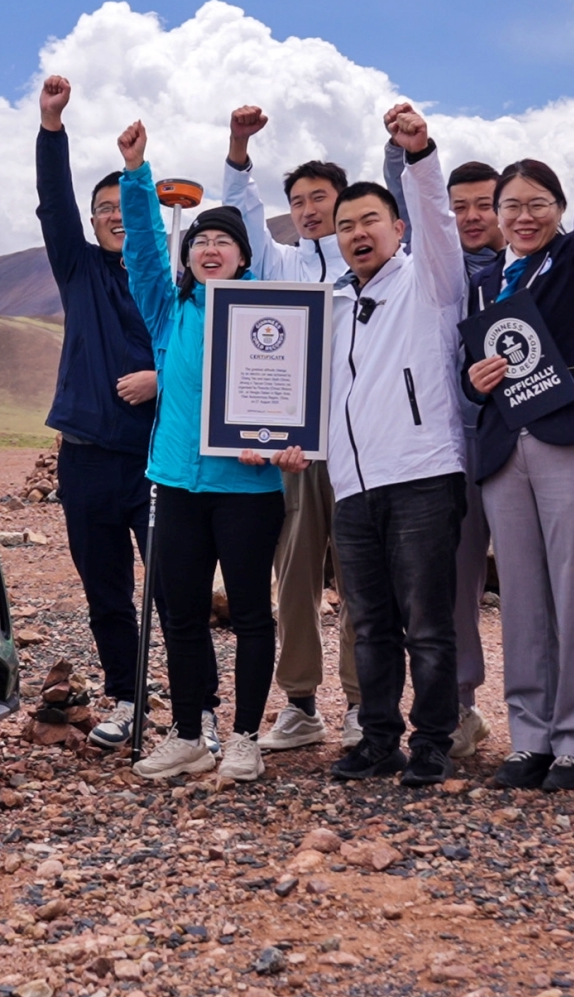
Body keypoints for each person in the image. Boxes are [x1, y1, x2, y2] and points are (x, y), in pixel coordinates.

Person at [115, 118, 307, 783]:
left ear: (245, 257)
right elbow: (142, 247)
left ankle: (247, 735)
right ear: (190, 256)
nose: (211, 248)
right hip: (175, 483)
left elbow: (293, 403)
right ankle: (190, 733)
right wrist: (137, 174)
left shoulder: (272, 321)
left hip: (249, 491)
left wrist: (288, 443)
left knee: (253, 613)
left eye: (224, 241)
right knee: (183, 613)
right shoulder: (171, 313)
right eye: (202, 240)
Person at [33, 75, 214, 750]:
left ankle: (203, 710)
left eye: (122, 205)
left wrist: (158, 380)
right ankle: (127, 700)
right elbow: (52, 203)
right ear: (92, 219)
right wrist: (53, 127)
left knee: (174, 591)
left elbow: (200, 366)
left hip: (155, 461)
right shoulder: (76, 271)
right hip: (84, 457)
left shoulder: (170, 285)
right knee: (107, 594)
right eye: (103, 206)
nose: (114, 214)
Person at [463, 99, 574, 792]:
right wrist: (475, 383)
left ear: (557, 208)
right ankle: (530, 737)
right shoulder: (486, 285)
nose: (522, 216)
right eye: (511, 206)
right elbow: (468, 372)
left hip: (569, 439)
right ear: (496, 215)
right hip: (505, 449)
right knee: (524, 598)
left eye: (537, 204)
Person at [321, 103, 470, 787]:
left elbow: (440, 223)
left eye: (370, 221)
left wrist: (420, 155)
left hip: (422, 474)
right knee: (369, 624)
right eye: (344, 225)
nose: (357, 233)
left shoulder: (432, 282)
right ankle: (378, 740)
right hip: (352, 486)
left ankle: (434, 741)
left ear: (398, 228)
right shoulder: (332, 306)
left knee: (428, 624)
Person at [221, 106, 363, 753]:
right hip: (298, 451)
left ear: (345, 202)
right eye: (299, 200)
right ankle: (302, 703)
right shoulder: (279, 264)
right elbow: (244, 216)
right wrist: (240, 148)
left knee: (363, 576)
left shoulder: (376, 262)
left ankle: (365, 702)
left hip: (364, 445)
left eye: (320, 198)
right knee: (296, 576)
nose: (308, 210)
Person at [384, 152, 509, 761]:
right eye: (458, 206)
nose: (471, 216)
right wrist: (401, 155)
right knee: (452, 587)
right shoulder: (434, 271)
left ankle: (548, 724)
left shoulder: (527, 270)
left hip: (519, 445)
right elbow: (406, 207)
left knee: (532, 585)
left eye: (485, 203)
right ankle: (461, 706)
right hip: (450, 449)